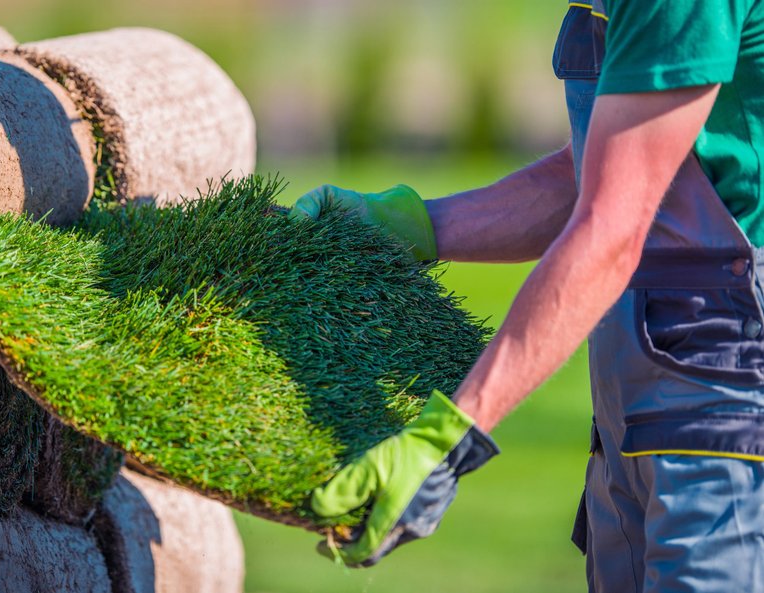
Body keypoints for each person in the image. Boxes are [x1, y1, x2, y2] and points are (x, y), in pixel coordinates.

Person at [294, 2, 764, 590]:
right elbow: (600, 172)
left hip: (727, 404)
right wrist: (413, 224)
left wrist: (447, 437)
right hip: (639, 401)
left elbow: (611, 229)